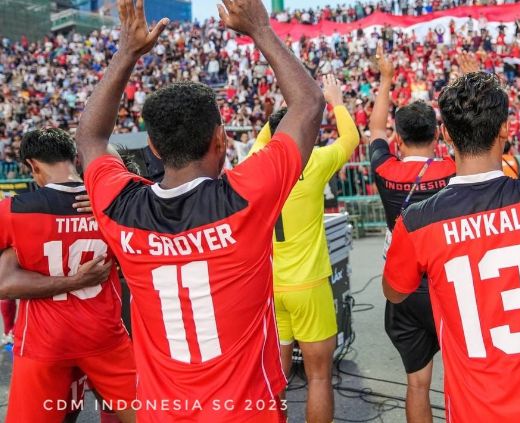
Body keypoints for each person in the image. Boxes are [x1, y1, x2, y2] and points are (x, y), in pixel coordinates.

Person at [74, 0, 324, 421]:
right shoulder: (248, 196)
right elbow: (309, 105)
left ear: (152, 148)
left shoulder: (120, 208)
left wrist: (126, 54)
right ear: (221, 140)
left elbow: (90, 140)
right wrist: (260, 29)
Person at [382, 72, 520, 421]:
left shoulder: (416, 221)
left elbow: (395, 292)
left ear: (445, 135)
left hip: (477, 412)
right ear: (505, 128)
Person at [0, 128, 137, 423]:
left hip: (44, 343)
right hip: (104, 335)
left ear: (33, 166)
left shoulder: (12, 211)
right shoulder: (110, 204)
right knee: (151, 416)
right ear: (74, 158)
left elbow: (3, 284)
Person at [247, 75, 359, 423]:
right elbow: (352, 139)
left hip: (272, 287)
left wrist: (279, 117)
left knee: (275, 378)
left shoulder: (256, 164)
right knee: (320, 377)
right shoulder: (314, 162)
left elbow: (264, 138)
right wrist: (335, 101)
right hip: (308, 285)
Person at [369, 45, 456, 423]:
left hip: (403, 283)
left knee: (417, 384)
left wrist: (386, 78)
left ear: (398, 140)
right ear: (438, 137)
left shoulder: (386, 171)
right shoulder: (452, 169)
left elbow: (373, 129)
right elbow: (467, 136)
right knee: (461, 376)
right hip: (447, 280)